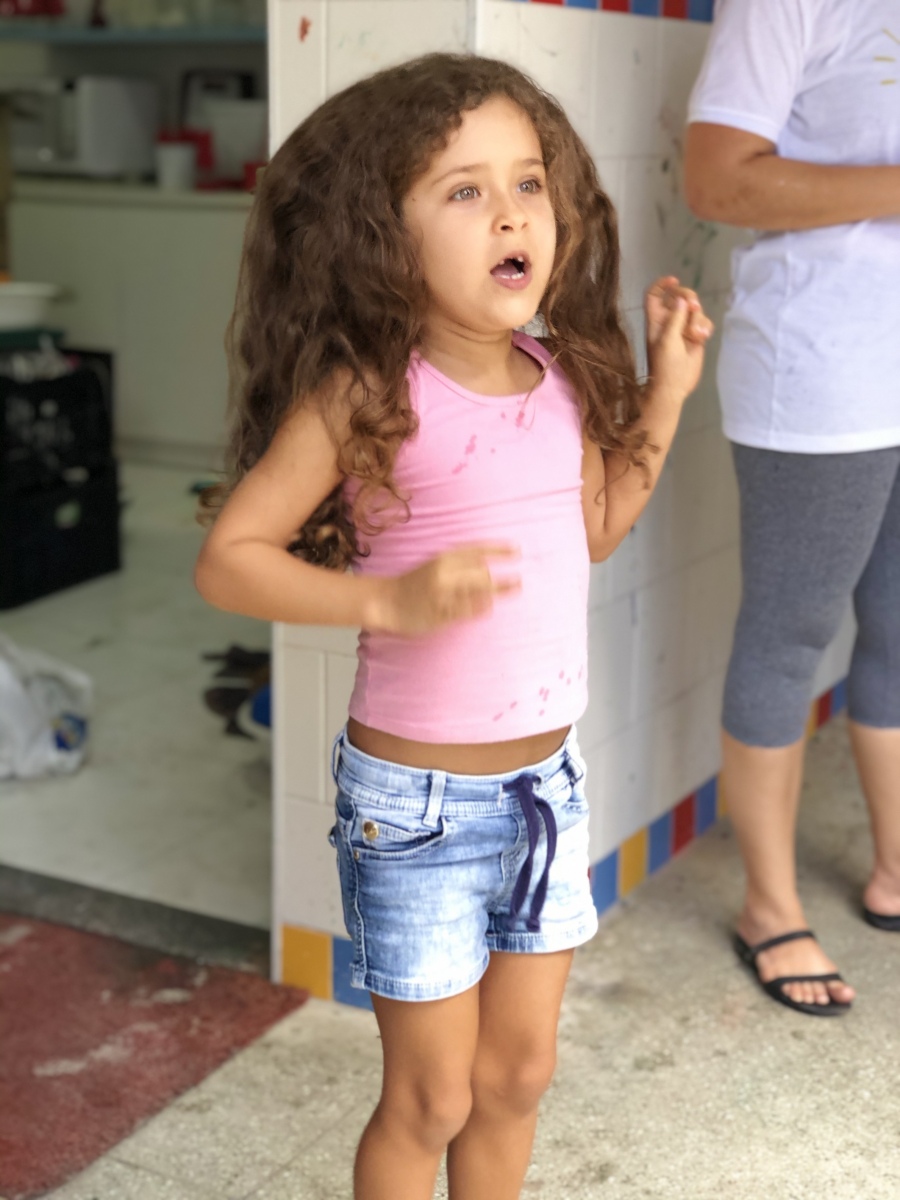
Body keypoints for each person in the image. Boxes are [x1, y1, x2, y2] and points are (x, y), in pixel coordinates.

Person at [196, 53, 711, 1200]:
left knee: (518, 1077)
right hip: (414, 811)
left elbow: (600, 528)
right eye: (466, 190)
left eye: (528, 183)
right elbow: (230, 560)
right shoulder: (367, 394)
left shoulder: (564, 376)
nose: (512, 213)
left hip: (547, 793)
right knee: (429, 1098)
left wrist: (668, 393)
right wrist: (385, 601)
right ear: (386, 235)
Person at [685, 0, 900, 1018]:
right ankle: (769, 907)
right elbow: (718, 177)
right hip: (826, 367)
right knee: (791, 635)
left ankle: (895, 868)